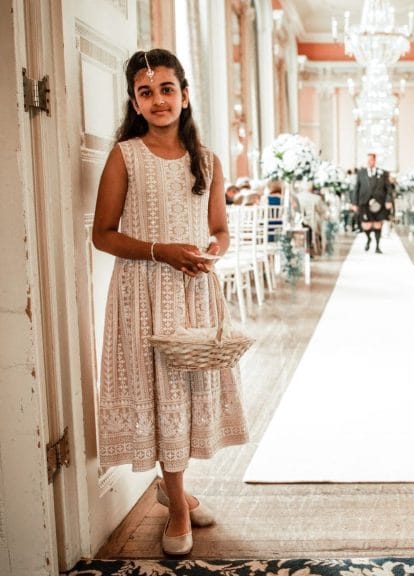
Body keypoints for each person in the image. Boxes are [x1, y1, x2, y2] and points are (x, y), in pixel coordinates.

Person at [91, 49, 248, 557]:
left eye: (166, 89)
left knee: (184, 394)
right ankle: (178, 506)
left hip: (193, 289)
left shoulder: (207, 161)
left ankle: (173, 488)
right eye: (145, 91)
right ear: (134, 102)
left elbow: (220, 229)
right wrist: (162, 251)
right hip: (143, 291)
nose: (157, 100)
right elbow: (103, 235)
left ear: (184, 95)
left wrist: (212, 252)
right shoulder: (125, 155)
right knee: (155, 392)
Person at [350, 152, 394, 253]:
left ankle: (377, 246)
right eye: (368, 160)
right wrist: (354, 203)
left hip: (379, 202)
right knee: (366, 224)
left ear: (375, 160)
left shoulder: (383, 173)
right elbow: (357, 188)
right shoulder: (361, 173)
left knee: (378, 224)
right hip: (364, 202)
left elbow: (388, 189)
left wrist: (388, 200)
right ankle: (368, 238)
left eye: (371, 160)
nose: (370, 162)